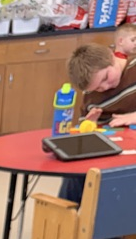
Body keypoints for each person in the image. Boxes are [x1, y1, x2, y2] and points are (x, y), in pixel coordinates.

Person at [58, 43, 136, 202]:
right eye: (98, 88)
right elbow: (83, 129)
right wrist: (89, 124)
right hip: (113, 147)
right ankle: (64, 213)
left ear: (111, 57)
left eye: (105, 77)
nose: (105, 86)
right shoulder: (90, 96)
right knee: (76, 171)